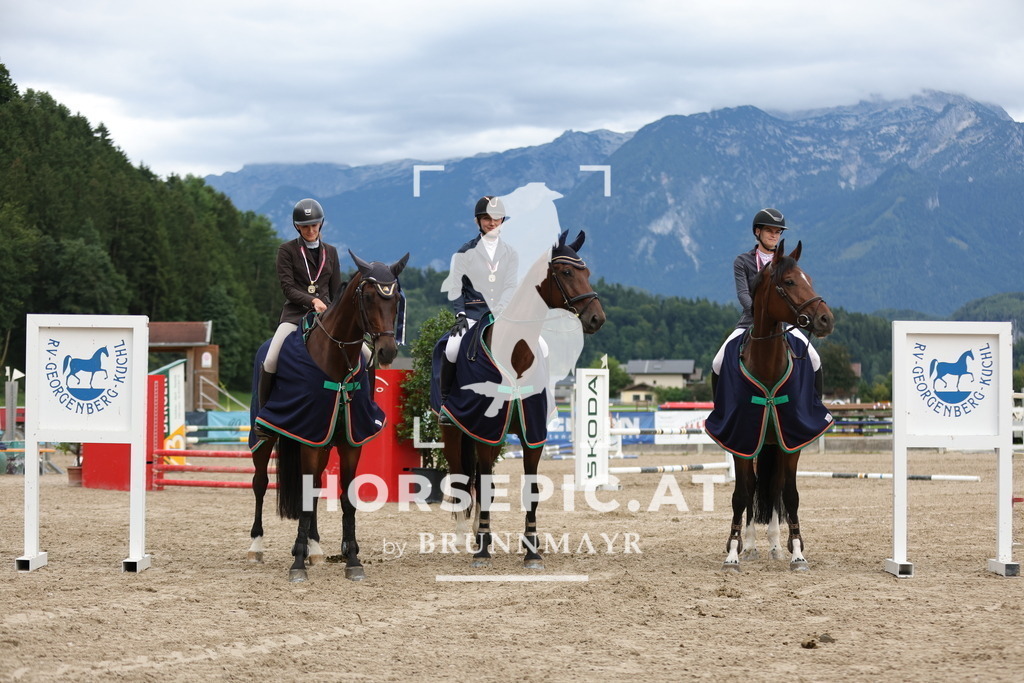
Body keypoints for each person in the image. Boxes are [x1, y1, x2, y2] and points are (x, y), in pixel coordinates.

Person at [711, 207, 822, 397]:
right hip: (750, 321)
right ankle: (720, 411)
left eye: (777, 231)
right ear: (757, 232)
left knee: (814, 357)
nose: (774, 235)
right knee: (718, 362)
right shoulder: (743, 261)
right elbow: (743, 294)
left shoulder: (787, 264)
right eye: (770, 230)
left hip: (783, 322)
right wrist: (758, 314)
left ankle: (815, 407)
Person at [436, 195, 520, 422]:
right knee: (452, 348)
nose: (492, 223)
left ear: (502, 220)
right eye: (486, 219)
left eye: (496, 218)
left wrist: (501, 309)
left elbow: (511, 285)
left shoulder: (511, 253)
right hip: (473, 314)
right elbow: (455, 287)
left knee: (539, 346)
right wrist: (460, 314)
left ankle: (532, 403)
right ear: (477, 221)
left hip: (502, 314)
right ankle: (446, 404)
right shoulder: (465, 251)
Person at [257, 198, 345, 408]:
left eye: (314, 225)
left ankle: (363, 410)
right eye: (305, 226)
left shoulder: (331, 252)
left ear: (321, 224)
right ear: (297, 226)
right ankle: (265, 415)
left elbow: (336, 291)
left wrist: (338, 315)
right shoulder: (287, 250)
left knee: (365, 354)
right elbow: (288, 288)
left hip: (326, 317)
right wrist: (312, 300)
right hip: (295, 316)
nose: (310, 230)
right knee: (270, 359)